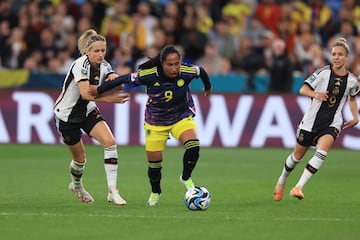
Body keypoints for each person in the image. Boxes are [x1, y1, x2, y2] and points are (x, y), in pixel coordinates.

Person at [89, 45, 212, 206]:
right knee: (155, 166)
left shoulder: (186, 71)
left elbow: (201, 71)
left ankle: (186, 177)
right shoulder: (148, 75)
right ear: (162, 64)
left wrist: (208, 87)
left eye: (177, 64)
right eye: (170, 64)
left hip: (181, 117)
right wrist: (99, 90)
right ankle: (156, 191)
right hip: (155, 122)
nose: (174, 68)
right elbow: (123, 79)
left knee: (194, 146)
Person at [273, 38, 359, 201]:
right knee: (296, 158)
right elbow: (303, 89)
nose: (336, 57)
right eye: (334, 54)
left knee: (322, 153)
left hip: (332, 123)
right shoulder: (322, 73)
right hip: (311, 122)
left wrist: (355, 117)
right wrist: (316, 94)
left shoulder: (353, 81)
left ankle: (298, 187)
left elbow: (352, 98)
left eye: (340, 54)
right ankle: (282, 180)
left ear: (347, 57)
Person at [53, 29, 129, 205]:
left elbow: (113, 79)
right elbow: (86, 94)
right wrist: (109, 98)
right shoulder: (81, 65)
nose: (101, 54)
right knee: (80, 160)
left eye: (103, 50)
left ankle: (112, 191)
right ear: (87, 51)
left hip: (87, 111)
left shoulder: (105, 65)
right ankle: (77, 186)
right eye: (96, 51)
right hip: (67, 116)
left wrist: (117, 81)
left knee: (110, 143)